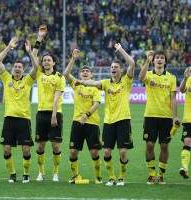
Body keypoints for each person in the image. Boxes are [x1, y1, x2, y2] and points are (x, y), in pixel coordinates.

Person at [74, 43, 135, 186]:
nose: (113, 69)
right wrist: (81, 81)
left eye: (115, 67)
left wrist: (120, 50)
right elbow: (94, 83)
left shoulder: (126, 81)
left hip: (123, 119)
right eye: (111, 67)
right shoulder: (106, 83)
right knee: (107, 152)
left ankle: (121, 177)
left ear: (121, 70)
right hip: (108, 121)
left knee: (122, 152)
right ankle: (112, 177)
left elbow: (132, 63)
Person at [0, 36, 38, 183]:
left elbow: (37, 68)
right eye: (16, 66)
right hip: (9, 119)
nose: (17, 68)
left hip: (24, 119)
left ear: (23, 69)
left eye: (20, 67)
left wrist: (30, 53)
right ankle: (12, 173)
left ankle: (26, 173)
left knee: (26, 149)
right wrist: (9, 47)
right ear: (13, 68)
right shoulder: (6, 78)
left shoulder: (27, 80)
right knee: (6, 149)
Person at [138, 50, 179, 185]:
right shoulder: (149, 75)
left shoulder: (172, 78)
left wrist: (175, 117)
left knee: (164, 146)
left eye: (162, 58)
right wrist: (147, 61)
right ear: (154, 61)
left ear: (165, 62)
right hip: (150, 115)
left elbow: (173, 98)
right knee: (149, 144)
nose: (160, 60)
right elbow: (140, 78)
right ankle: (151, 174)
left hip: (166, 117)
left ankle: (161, 175)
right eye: (157, 58)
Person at [64, 49, 103, 184]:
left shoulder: (96, 87)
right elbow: (66, 73)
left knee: (94, 153)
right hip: (77, 122)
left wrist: (86, 115)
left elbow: (97, 103)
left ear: (91, 74)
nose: (85, 73)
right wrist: (73, 59)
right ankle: (75, 176)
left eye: (87, 71)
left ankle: (98, 177)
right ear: (80, 74)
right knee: (73, 152)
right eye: (82, 71)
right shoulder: (76, 85)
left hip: (92, 123)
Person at [32, 26, 66, 182]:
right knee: (40, 146)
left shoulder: (59, 77)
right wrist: (39, 38)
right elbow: (33, 54)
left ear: (53, 62)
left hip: (55, 113)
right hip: (41, 113)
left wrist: (54, 116)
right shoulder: (38, 73)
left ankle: (55, 172)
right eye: (44, 60)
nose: (46, 62)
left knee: (56, 146)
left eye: (48, 60)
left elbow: (57, 97)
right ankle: (41, 172)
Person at [179, 67, 191, 179]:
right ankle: (184, 168)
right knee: (187, 141)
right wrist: (185, 78)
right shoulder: (189, 80)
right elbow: (181, 90)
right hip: (189, 118)